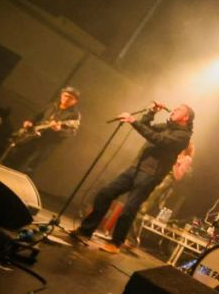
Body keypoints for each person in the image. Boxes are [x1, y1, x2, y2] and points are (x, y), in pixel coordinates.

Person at [72, 102, 194, 254]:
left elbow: (157, 139)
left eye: (179, 109)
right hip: (136, 168)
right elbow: (146, 127)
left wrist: (133, 121)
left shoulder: (183, 136)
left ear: (186, 117)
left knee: (129, 209)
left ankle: (116, 243)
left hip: (150, 174)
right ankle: (85, 231)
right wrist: (151, 113)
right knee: (105, 193)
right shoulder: (167, 127)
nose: (174, 110)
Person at [2, 86, 81, 174]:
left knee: (30, 165)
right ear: (61, 95)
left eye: (70, 98)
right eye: (65, 95)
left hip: (47, 143)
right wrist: (30, 122)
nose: (67, 99)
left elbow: (72, 132)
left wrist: (59, 129)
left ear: (75, 101)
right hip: (32, 136)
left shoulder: (74, 115)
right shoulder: (52, 105)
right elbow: (37, 115)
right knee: (17, 156)